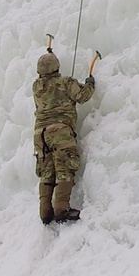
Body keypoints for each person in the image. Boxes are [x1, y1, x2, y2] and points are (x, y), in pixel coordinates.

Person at [33, 48, 96, 224]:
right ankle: (61, 209)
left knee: (47, 172)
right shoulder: (65, 82)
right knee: (64, 168)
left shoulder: (36, 87)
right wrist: (90, 82)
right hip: (60, 131)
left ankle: (45, 213)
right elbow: (82, 96)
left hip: (40, 135)